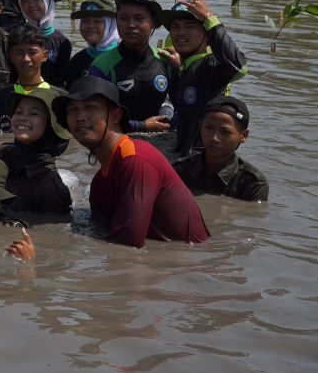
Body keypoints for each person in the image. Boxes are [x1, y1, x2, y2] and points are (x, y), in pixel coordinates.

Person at [56, 75, 209, 247]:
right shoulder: (100, 182)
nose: (80, 117)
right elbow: (101, 230)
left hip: (189, 264)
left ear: (115, 115)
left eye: (90, 107)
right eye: (72, 110)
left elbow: (128, 244)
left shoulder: (136, 159)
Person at [158, 0, 248, 157]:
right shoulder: (186, 68)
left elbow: (241, 67)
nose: (181, 32)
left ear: (207, 36)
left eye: (190, 26)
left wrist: (209, 18)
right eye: (175, 27)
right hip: (185, 158)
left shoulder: (211, 65)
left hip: (202, 162)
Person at [84, 0, 174, 138]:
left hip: (162, 143)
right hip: (118, 142)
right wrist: (143, 126)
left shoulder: (166, 60)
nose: (131, 24)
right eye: (124, 18)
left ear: (153, 22)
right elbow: (95, 116)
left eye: (139, 18)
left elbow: (179, 102)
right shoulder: (102, 65)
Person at [0, 85, 73, 216]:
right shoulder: (1, 154)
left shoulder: (50, 187)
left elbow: (49, 232)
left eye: (34, 113)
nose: (23, 117)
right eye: (18, 112)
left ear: (51, 126)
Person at [171, 95, 268, 202]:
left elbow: (254, 217)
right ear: (200, 127)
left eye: (225, 132)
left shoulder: (252, 183)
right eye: (209, 128)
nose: (214, 138)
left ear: (243, 136)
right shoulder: (178, 170)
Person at [0, 24, 51, 132]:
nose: (26, 59)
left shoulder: (57, 99)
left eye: (32, 52)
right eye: (19, 53)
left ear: (44, 55)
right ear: (11, 56)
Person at [15, 0, 71, 83]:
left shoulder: (62, 42)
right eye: (25, 1)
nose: (31, 5)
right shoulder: (16, 38)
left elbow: (62, 80)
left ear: (48, 0)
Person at [60, 0, 119, 88]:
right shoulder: (77, 60)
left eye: (98, 21)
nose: (91, 26)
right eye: (85, 21)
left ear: (111, 25)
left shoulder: (123, 56)